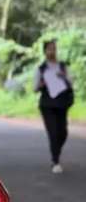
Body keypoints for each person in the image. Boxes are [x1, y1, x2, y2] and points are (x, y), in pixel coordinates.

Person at [34, 40, 74, 173]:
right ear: (45, 51)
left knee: (63, 132)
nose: (52, 51)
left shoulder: (62, 66)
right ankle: (55, 161)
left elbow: (71, 83)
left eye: (54, 48)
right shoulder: (41, 68)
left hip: (62, 103)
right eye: (49, 49)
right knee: (53, 132)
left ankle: (56, 153)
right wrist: (42, 84)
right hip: (47, 104)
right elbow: (35, 88)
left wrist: (64, 78)